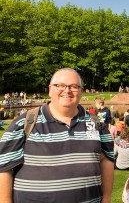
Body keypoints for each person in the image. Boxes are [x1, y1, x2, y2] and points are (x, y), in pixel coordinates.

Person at [0, 68, 115, 203]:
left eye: (74, 86)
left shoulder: (97, 124)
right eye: (60, 85)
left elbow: (107, 160)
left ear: (81, 91)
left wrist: (106, 199)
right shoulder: (24, 123)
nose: (67, 90)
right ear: (50, 89)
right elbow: (4, 168)